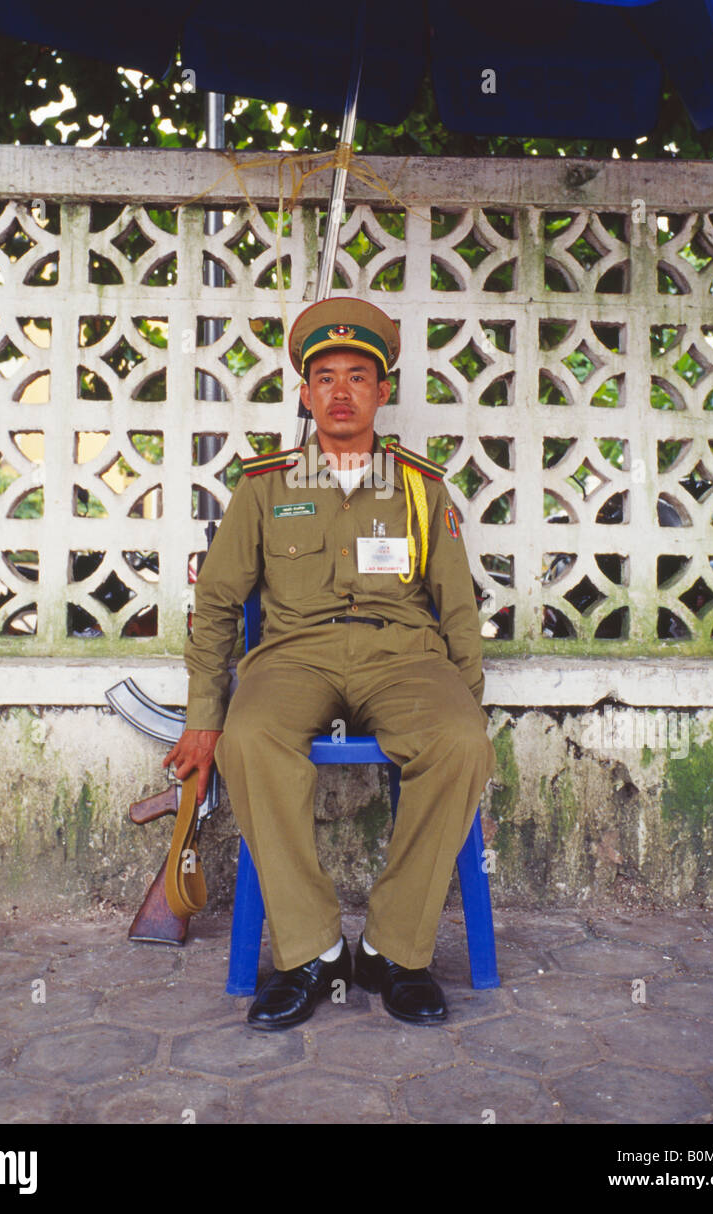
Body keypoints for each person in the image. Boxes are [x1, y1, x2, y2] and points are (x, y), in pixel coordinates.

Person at [164, 298, 495, 1028]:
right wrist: (203, 718)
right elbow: (217, 605)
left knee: (460, 742)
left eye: (357, 377)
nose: (340, 392)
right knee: (252, 742)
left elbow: (457, 608)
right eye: (325, 378)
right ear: (306, 393)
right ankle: (309, 951)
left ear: (381, 393)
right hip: (293, 658)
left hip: (403, 657)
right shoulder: (263, 485)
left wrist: (467, 701)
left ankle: (391, 950)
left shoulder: (418, 485)